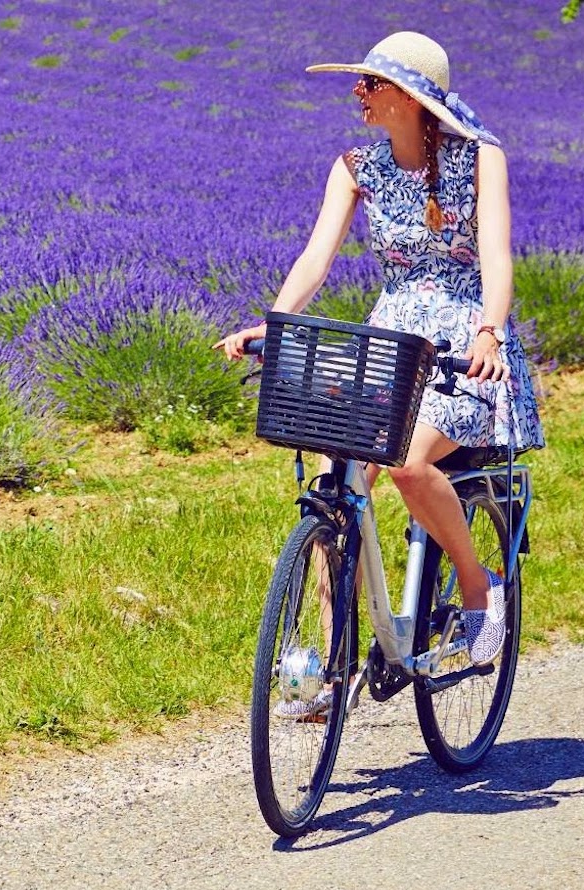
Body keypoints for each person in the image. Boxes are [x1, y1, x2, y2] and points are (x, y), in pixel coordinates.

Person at [215, 32, 546, 686]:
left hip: (462, 342)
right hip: (391, 341)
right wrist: (278, 323)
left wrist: (488, 332)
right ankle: (332, 666)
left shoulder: (481, 159)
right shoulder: (354, 167)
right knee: (339, 488)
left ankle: (480, 593)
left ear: (412, 96)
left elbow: (498, 257)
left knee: (409, 464)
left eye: (370, 83)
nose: (357, 93)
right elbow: (316, 257)